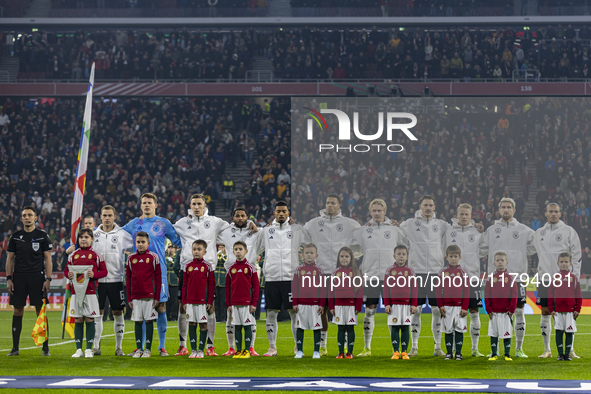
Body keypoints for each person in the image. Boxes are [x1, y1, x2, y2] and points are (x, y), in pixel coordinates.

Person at [173, 194, 244, 357]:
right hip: (187, 270)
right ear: (189, 205)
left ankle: (210, 346)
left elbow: (236, 228)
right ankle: (182, 345)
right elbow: (167, 231)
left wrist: (251, 225)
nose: (196, 207)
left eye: (199, 204)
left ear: (205, 205)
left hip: (207, 270)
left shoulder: (215, 222)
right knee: (182, 307)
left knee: (210, 307)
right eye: (194, 204)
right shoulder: (182, 223)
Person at [122, 193, 182, 357]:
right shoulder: (134, 223)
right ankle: (140, 346)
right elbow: (116, 236)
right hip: (139, 274)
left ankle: (161, 347)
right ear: (140, 205)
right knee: (140, 309)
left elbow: (180, 241)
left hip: (159, 272)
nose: (146, 205)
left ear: (156, 205)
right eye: (144, 203)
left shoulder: (163, 223)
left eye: (149, 203)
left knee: (161, 307)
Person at [304, 194, 360, 356]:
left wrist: (352, 261)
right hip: (320, 274)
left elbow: (362, 242)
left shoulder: (350, 224)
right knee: (322, 310)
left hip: (341, 275)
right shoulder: (314, 223)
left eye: (333, 203)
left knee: (344, 311)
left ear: (339, 205)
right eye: (327, 202)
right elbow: (301, 235)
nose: (329, 205)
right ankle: (323, 345)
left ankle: (346, 349)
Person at [479, 197, 535, 358]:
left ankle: (518, 348)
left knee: (518, 311)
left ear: (514, 210)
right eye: (503, 207)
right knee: (495, 313)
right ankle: (495, 350)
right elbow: (480, 249)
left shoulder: (524, 230)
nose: (506, 209)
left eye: (509, 207)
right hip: (495, 279)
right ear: (499, 210)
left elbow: (535, 245)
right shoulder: (491, 230)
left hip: (517, 277)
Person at [353, 198, 408, 357]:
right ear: (370, 212)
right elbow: (352, 249)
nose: (377, 213)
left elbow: (406, 247)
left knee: (393, 313)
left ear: (385, 211)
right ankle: (367, 348)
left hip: (391, 277)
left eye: (380, 210)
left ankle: (396, 350)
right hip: (370, 276)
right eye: (374, 211)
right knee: (369, 311)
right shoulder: (364, 230)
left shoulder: (394, 230)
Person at [399, 195, 451, 357]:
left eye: (430, 205)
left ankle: (437, 347)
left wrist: (474, 226)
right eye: (425, 205)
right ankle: (414, 347)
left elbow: (458, 231)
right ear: (419, 206)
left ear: (434, 207)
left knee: (437, 311)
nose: (428, 208)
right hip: (416, 273)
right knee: (416, 311)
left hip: (436, 273)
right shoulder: (408, 224)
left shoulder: (442, 225)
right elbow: (396, 236)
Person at [530, 203, 582, 359]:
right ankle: (547, 350)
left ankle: (570, 349)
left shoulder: (569, 232)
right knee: (545, 312)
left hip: (565, 280)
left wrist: (575, 278)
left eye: (556, 212)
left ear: (561, 214)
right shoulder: (538, 233)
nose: (553, 214)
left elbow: (577, 255)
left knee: (569, 314)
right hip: (545, 279)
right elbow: (525, 246)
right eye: (550, 212)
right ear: (545, 213)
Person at [6, 206, 53, 356]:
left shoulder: (42, 236)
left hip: (37, 277)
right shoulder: (15, 237)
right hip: (19, 277)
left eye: (30, 215)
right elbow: (10, 259)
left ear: (35, 218)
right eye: (24, 215)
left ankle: (45, 348)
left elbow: (48, 259)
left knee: (40, 312)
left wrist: (48, 278)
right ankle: (15, 348)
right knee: (17, 310)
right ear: (21, 219)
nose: (27, 217)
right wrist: (9, 278)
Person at [256, 201, 300, 357]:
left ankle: (297, 347)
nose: (281, 214)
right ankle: (272, 348)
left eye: (284, 211)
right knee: (271, 313)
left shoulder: (296, 230)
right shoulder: (266, 231)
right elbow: (256, 248)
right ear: (274, 213)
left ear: (288, 213)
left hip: (290, 277)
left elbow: (310, 246)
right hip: (272, 277)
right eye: (278, 211)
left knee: (294, 313)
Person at [217, 207, 262, 356]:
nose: (240, 218)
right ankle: (232, 348)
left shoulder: (255, 231)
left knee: (250, 315)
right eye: (238, 216)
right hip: (232, 272)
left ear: (247, 217)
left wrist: (253, 224)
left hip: (249, 272)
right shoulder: (226, 232)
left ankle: (250, 347)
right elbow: (212, 235)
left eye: (243, 216)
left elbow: (268, 232)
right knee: (231, 318)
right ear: (233, 218)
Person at [90, 205, 133, 356]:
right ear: (100, 217)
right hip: (98, 281)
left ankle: (119, 347)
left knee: (118, 312)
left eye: (110, 215)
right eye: (104, 215)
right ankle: (96, 346)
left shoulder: (122, 234)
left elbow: (136, 247)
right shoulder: (94, 235)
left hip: (116, 280)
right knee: (98, 313)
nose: (107, 218)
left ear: (115, 216)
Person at [443, 203, 484, 357]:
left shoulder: (477, 232)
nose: (464, 217)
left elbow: (484, 249)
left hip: (472, 278)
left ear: (471, 215)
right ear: (457, 215)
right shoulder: (448, 232)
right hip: (452, 280)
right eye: (462, 214)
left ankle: (475, 349)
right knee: (451, 314)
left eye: (467, 214)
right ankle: (451, 349)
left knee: (474, 312)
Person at [64, 228, 108, 358]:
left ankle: (89, 349)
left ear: (92, 239)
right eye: (81, 237)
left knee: (89, 318)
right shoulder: (73, 255)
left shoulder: (96, 255)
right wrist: (69, 274)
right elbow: (66, 270)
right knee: (78, 319)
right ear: (78, 239)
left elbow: (104, 271)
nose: (83, 239)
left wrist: (94, 274)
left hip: (90, 292)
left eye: (86, 237)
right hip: (75, 292)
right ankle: (79, 349)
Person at [126, 231, 161, 358]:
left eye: (143, 242)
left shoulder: (153, 257)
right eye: (138, 242)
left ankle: (147, 349)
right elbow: (128, 279)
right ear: (135, 243)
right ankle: (139, 348)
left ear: (148, 243)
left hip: (149, 296)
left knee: (149, 321)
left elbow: (158, 278)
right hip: (135, 296)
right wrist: (129, 297)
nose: (140, 244)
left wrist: (157, 297)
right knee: (138, 321)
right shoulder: (131, 258)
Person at [226, 241, 260, 359]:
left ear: (246, 251)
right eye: (236, 249)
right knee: (237, 327)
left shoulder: (250, 268)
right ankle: (238, 350)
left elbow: (256, 286)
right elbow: (227, 287)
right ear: (233, 252)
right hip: (234, 304)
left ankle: (247, 350)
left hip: (247, 304)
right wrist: (228, 304)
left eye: (240, 249)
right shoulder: (231, 269)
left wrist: (254, 303)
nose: (238, 251)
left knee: (247, 326)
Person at [383, 245, 417, 360]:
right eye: (399, 254)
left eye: (403, 254)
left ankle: (404, 352)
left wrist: (414, 304)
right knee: (395, 327)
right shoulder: (389, 270)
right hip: (394, 305)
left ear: (407, 256)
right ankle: (396, 351)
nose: (401, 256)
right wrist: (386, 303)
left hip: (407, 305)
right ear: (394, 256)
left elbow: (414, 288)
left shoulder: (410, 271)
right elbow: (386, 288)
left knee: (405, 327)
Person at [182, 240, 215, 359]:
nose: (196, 252)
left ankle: (201, 350)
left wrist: (209, 301)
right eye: (194, 249)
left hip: (202, 301)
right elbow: (184, 284)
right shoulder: (188, 266)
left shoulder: (207, 266)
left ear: (204, 252)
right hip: (190, 301)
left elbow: (211, 284)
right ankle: (193, 350)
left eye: (199, 249)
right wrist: (184, 301)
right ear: (191, 251)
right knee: (191, 323)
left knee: (202, 325)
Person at [329, 246, 363, 359]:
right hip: (338, 305)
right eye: (342, 256)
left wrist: (358, 306)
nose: (344, 258)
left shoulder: (356, 272)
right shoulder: (335, 272)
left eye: (346, 256)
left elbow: (360, 291)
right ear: (338, 258)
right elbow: (331, 291)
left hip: (351, 306)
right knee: (340, 328)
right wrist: (331, 306)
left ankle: (350, 352)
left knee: (350, 328)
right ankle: (340, 352)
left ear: (351, 258)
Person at [292, 243, 325, 359]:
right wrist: (295, 302)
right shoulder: (299, 270)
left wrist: (322, 304)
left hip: (315, 305)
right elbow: (295, 287)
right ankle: (300, 350)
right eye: (307, 253)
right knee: (300, 327)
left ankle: (316, 351)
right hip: (301, 304)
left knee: (316, 327)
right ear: (302, 255)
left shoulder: (319, 270)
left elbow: (323, 288)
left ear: (316, 255)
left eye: (312, 253)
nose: (309, 255)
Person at [437, 245, 470, 361]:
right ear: (446, 257)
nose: (453, 259)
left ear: (460, 257)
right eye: (451, 256)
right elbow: (438, 290)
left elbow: (467, 290)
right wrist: (440, 305)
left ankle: (459, 353)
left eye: (455, 256)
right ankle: (449, 353)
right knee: (448, 330)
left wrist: (465, 307)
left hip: (459, 307)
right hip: (446, 307)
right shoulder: (442, 272)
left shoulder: (463, 272)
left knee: (459, 329)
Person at [549, 253, 582, 361]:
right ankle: (560, 354)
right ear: (558, 263)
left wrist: (577, 309)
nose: (564, 264)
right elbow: (550, 294)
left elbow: (578, 295)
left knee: (569, 332)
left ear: (570, 263)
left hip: (570, 311)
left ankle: (567, 354)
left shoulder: (574, 278)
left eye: (566, 262)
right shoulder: (555, 277)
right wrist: (551, 309)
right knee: (559, 331)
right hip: (558, 311)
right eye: (562, 262)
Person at [485, 252, 517, 362]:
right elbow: (487, 295)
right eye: (497, 260)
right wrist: (488, 309)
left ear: (506, 262)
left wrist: (511, 309)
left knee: (507, 333)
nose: (500, 262)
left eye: (502, 260)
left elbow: (514, 295)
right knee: (494, 333)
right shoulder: (491, 278)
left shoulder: (510, 278)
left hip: (506, 312)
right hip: (494, 312)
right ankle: (494, 354)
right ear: (494, 263)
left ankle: (507, 354)